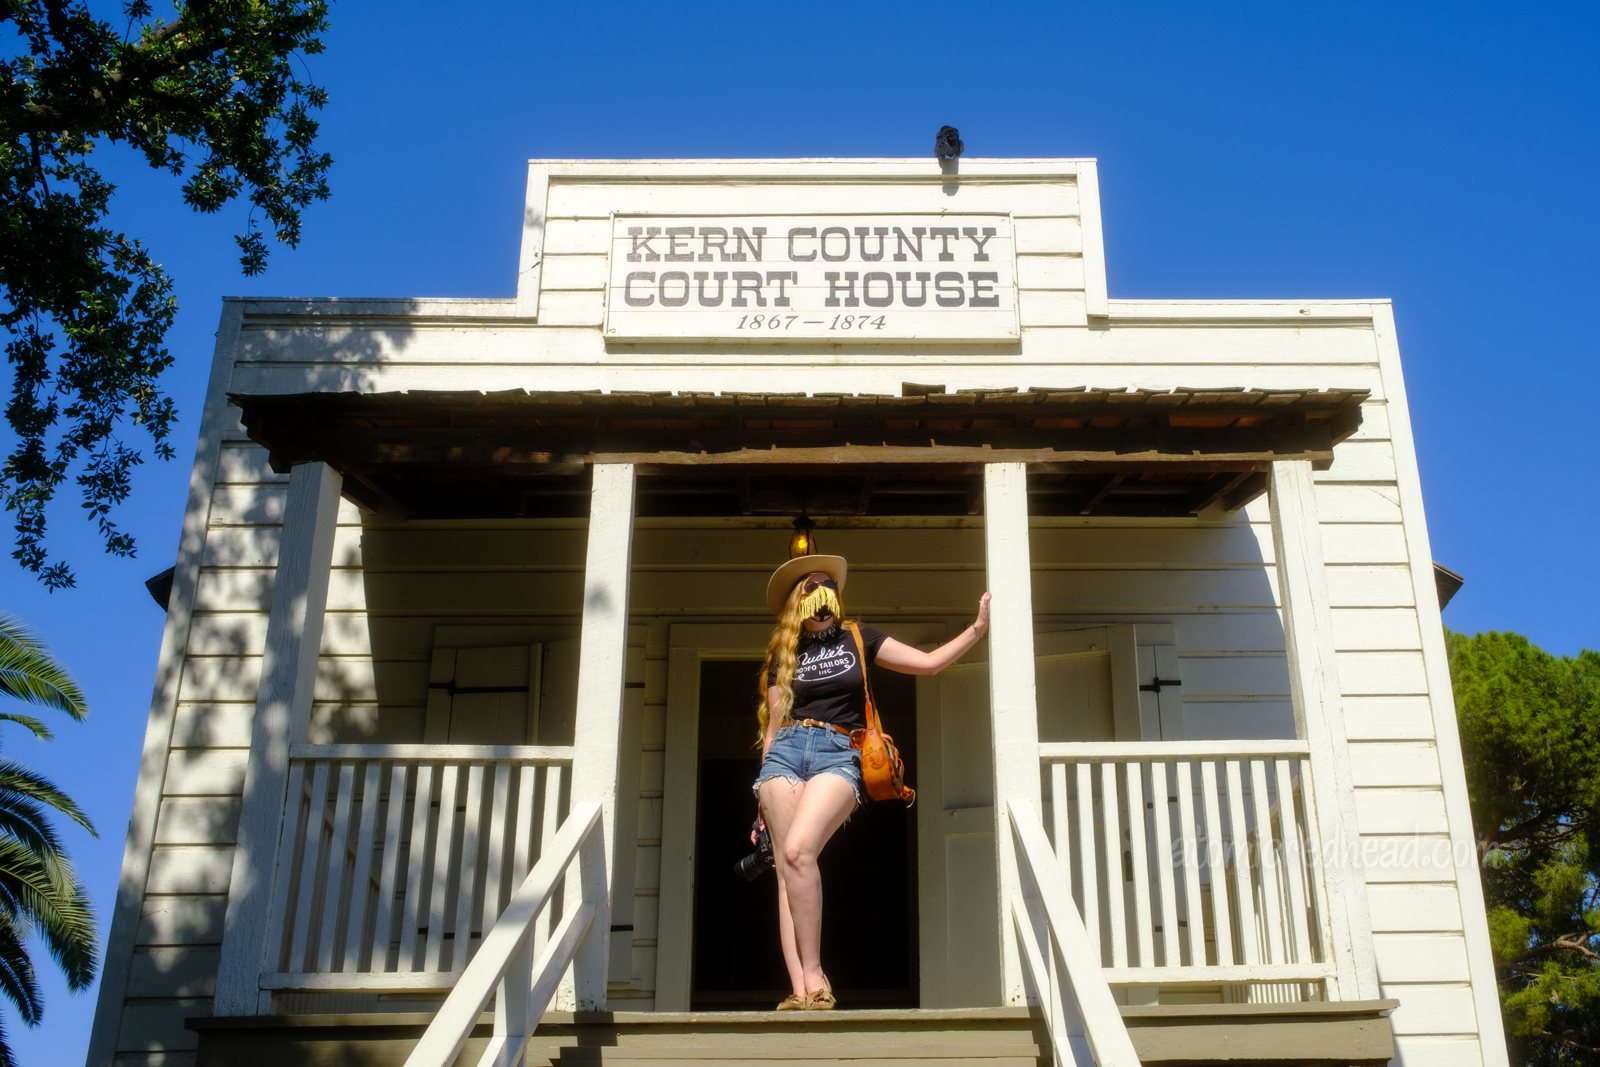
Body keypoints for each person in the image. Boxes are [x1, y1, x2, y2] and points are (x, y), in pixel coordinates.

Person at [753, 553, 992, 1010]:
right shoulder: (783, 654)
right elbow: (772, 730)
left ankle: (816, 975)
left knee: (799, 852)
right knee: (785, 873)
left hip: (837, 752)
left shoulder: (859, 638)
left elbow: (928, 663)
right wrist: (758, 808)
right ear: (795, 602)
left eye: (829, 586)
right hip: (784, 755)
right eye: (811, 586)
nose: (823, 593)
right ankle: (802, 992)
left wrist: (977, 628)